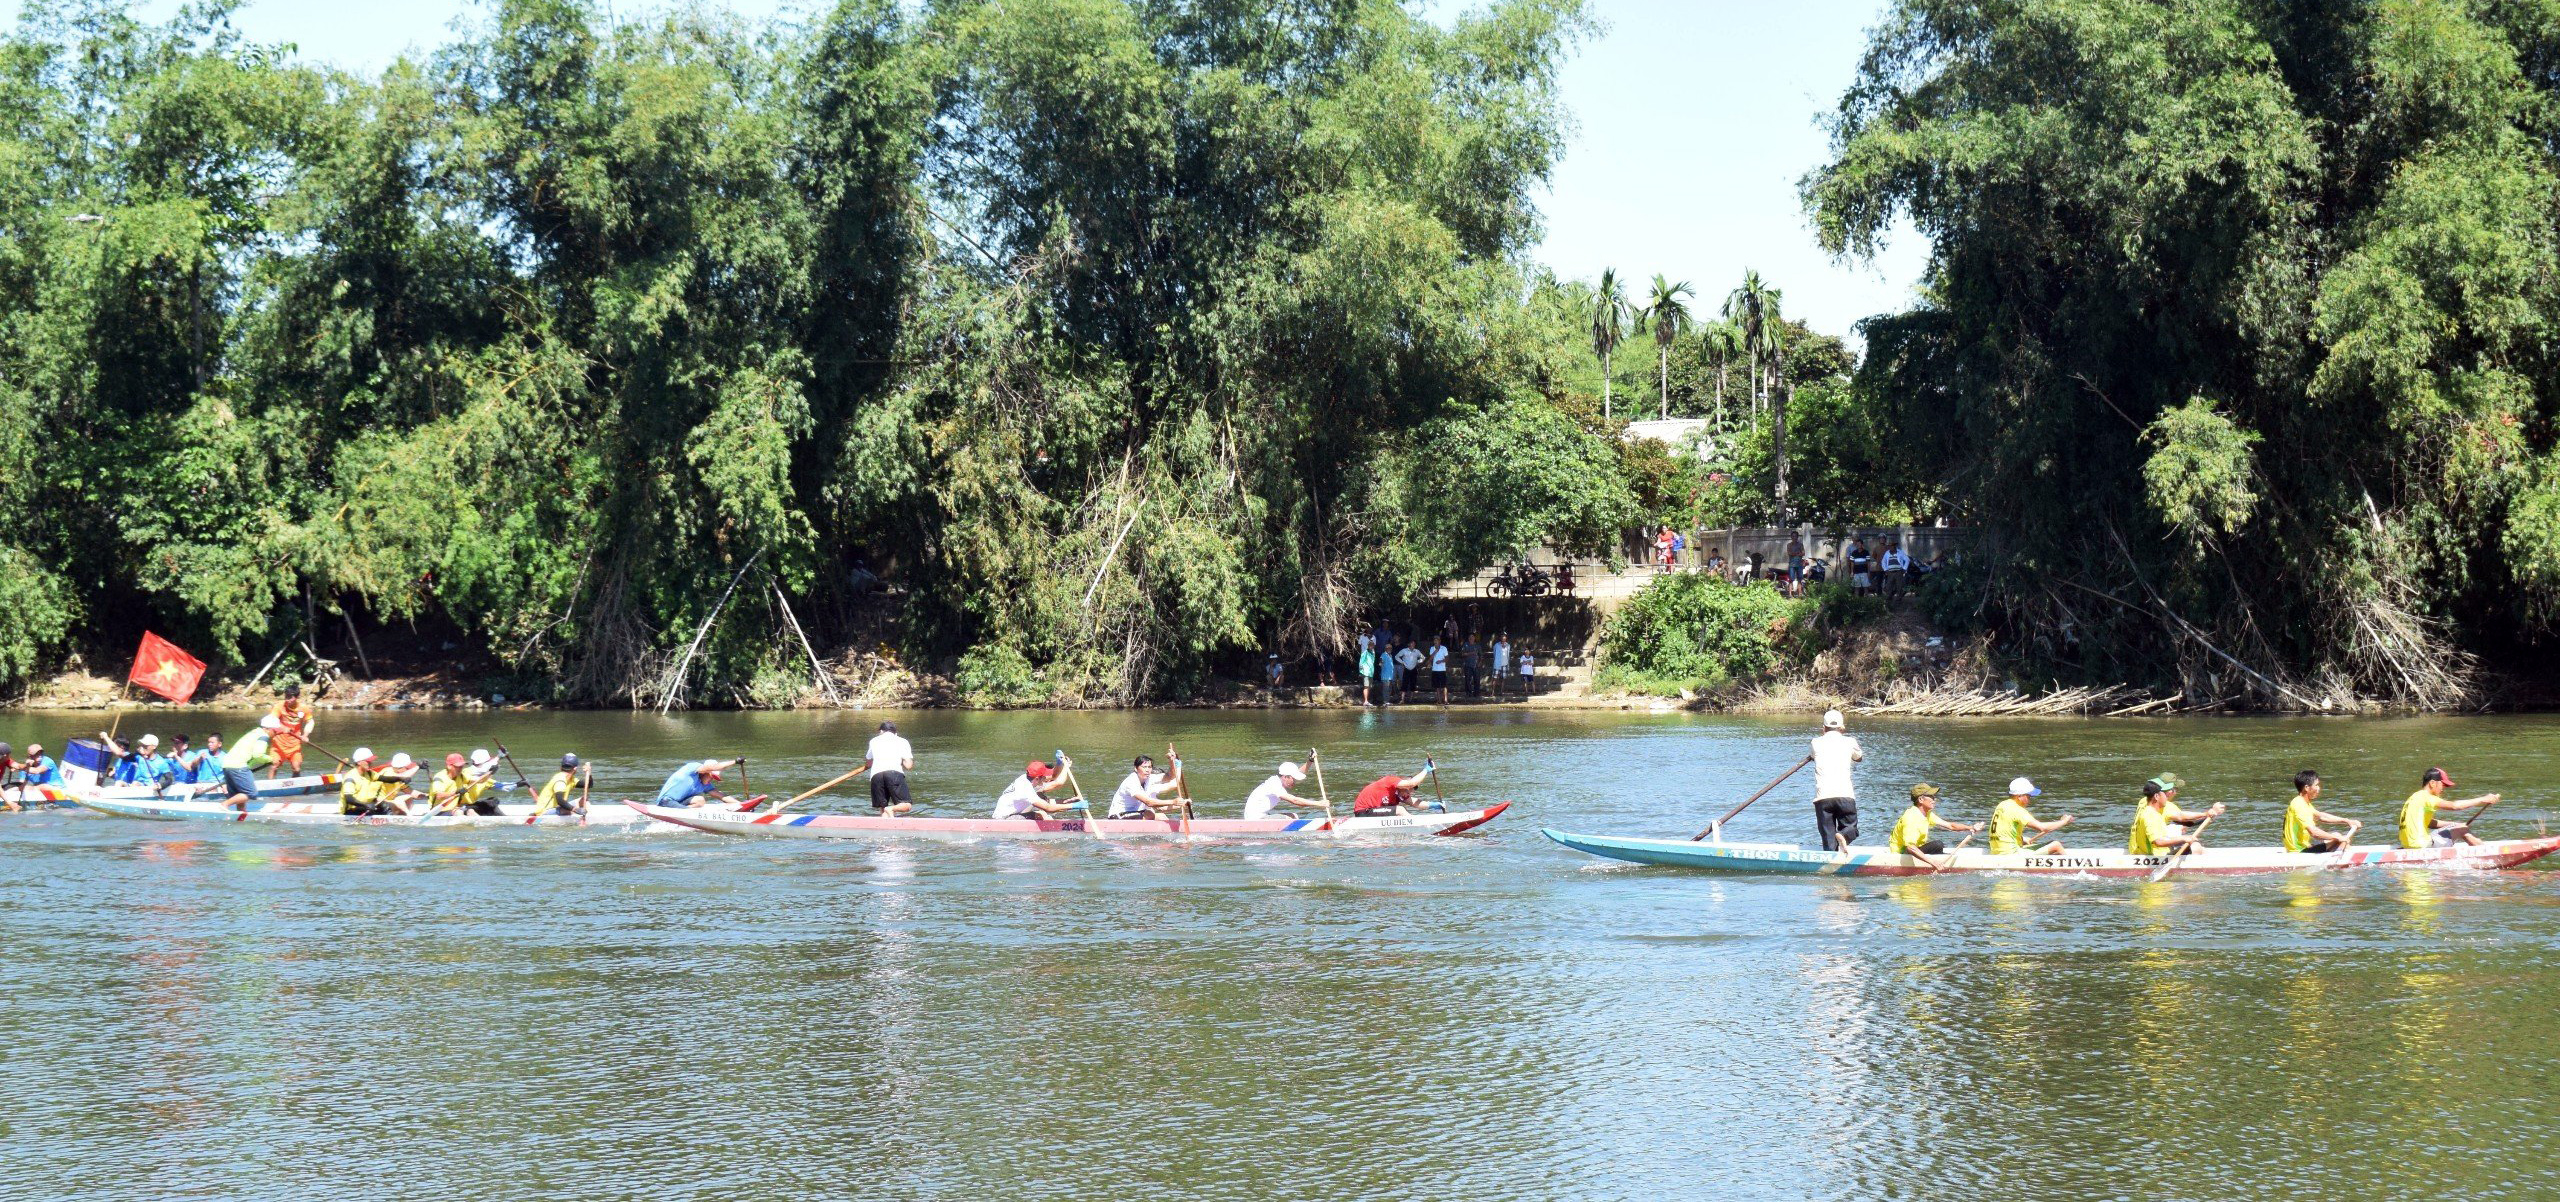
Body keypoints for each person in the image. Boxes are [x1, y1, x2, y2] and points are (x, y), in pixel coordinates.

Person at [2399, 767, 2497, 849]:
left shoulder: (2414, 797)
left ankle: (2480, 847)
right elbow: (2455, 806)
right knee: (2462, 829)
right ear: (2432, 783)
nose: (2443, 789)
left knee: (2459, 826)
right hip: (2422, 845)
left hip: (2408, 845)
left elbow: (2429, 822)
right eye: (2443, 784)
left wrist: (2454, 824)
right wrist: (2483, 799)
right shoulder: (2427, 797)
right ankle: (2485, 851)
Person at [2128, 775, 2224, 856]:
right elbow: (2186, 820)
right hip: (2153, 854)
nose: (2174, 792)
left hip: (2137, 848)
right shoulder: (2152, 815)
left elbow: (2183, 821)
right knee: (2195, 846)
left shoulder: (2144, 802)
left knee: (2178, 830)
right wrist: (2207, 814)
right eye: (2172, 790)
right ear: (2157, 796)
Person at [1810, 710, 1864, 851]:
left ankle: (1829, 863)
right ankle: (1844, 835)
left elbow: (1813, 756)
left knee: (1828, 842)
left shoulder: (1815, 742)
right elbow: (1858, 758)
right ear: (1842, 728)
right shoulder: (1850, 741)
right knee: (1851, 828)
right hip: (1845, 795)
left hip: (1823, 797)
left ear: (1824, 728)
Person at [1888, 784, 1978, 864]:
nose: (1934, 800)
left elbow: (1950, 826)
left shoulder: (1927, 814)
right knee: (1937, 844)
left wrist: (1970, 827)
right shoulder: (1911, 817)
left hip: (1914, 850)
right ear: (1921, 799)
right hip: (1901, 855)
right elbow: (1910, 847)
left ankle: (1944, 860)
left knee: (1938, 846)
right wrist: (1933, 862)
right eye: (1931, 797)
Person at [1988, 776, 2074, 855]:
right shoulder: (2017, 810)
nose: (2030, 799)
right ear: (2019, 796)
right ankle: (2074, 870)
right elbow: (2043, 828)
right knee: (2056, 845)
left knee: (2040, 845)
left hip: (1997, 851)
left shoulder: (2002, 805)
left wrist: (2022, 839)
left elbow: (2004, 831)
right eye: (2029, 796)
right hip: (2011, 855)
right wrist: (2064, 822)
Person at [2284, 770, 2360, 854]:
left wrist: (2347, 821)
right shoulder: (2299, 806)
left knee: (2337, 835)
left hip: (2305, 846)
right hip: (2298, 852)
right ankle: (2344, 861)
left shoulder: (2301, 802)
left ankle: (2342, 854)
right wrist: (2337, 838)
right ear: (2307, 788)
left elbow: (2320, 816)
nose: (2318, 788)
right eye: (2316, 785)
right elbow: (2314, 833)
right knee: (2339, 838)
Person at [994, 758, 1080, 820]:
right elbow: (1048, 808)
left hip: (1011, 815)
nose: (1046, 778)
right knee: (1041, 814)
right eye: (1043, 777)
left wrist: (1060, 764)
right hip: (1004, 820)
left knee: (1041, 800)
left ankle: (1052, 826)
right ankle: (1053, 832)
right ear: (1037, 779)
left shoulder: (1026, 778)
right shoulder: (1026, 789)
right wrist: (1074, 806)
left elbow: (1054, 776)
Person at [861, 720, 915, 816]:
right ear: (895, 733)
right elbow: (908, 765)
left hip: (876, 775)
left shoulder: (873, 741)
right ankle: (892, 808)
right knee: (906, 805)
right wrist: (901, 760)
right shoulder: (902, 741)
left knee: (883, 808)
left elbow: (869, 763)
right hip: (894, 773)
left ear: (881, 731)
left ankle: (885, 823)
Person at [1108, 753, 1184, 820]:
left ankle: (1170, 835)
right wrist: (1173, 801)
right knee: (1149, 813)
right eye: (1144, 767)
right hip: (1118, 816)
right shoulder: (1131, 782)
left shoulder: (1149, 778)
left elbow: (1169, 776)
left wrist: (1172, 761)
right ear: (1136, 768)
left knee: (1161, 816)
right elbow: (1149, 802)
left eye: (1149, 767)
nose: (1147, 770)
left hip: (1136, 814)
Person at [1244, 762, 1325, 820]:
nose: (1295, 782)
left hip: (1261, 816)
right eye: (1293, 779)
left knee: (1293, 816)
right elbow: (1295, 800)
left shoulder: (1277, 780)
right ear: (1286, 777)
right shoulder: (1274, 784)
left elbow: (1300, 771)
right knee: (1290, 818)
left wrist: (1310, 761)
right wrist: (1319, 803)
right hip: (1255, 819)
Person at [267, 685, 315, 777]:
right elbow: (272, 720)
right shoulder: (279, 706)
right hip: (278, 744)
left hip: (294, 745)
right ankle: (269, 787)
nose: (287, 700)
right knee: (274, 765)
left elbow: (310, 722)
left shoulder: (303, 708)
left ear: (296, 697)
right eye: (286, 697)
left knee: (296, 768)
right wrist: (282, 727)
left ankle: (296, 787)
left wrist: (305, 735)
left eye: (290, 698)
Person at [654, 759, 740, 809]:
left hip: (680, 803)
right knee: (692, 807)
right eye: (711, 776)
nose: (711, 779)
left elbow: (722, 796)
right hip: (665, 801)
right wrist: (735, 761)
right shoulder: (691, 768)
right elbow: (713, 767)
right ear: (705, 772)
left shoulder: (705, 785)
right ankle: (685, 813)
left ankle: (685, 813)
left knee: (700, 800)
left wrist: (742, 805)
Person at [1351, 765, 1434, 816]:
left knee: (1399, 811)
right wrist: (1425, 770)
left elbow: (1416, 803)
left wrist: (1434, 805)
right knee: (1400, 810)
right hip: (1363, 811)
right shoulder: (1390, 781)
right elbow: (1412, 783)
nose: (1407, 795)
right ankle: (1417, 829)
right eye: (1407, 792)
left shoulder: (1399, 794)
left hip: (1372, 812)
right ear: (1403, 786)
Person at [338, 748, 394, 816]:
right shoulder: (350, 778)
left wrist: (401, 779)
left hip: (363, 807)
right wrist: (366, 805)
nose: (371, 763)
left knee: (384, 806)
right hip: (350, 811)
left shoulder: (369, 773)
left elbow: (384, 779)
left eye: (371, 761)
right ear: (359, 762)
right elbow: (349, 799)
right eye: (368, 761)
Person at [1461, 633, 1484, 699]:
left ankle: (1476, 693)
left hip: (1476, 665)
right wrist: (1471, 653)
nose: (1471, 638)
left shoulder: (1478, 646)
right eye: (1470, 637)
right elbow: (1462, 654)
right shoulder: (1465, 645)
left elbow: (1481, 656)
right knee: (1468, 680)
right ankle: (1468, 693)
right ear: (1468, 638)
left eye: (1472, 637)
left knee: (1477, 679)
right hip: (1467, 665)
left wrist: (1480, 662)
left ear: (1474, 638)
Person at [1429, 637, 1451, 704]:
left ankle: (1446, 700)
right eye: (1434, 640)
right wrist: (1435, 651)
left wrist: (1441, 661)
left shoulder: (1444, 648)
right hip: (1435, 670)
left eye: (1437, 640)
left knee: (1444, 686)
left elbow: (1447, 659)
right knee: (1437, 686)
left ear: (1439, 641)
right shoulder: (1432, 648)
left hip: (1442, 670)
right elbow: (1430, 659)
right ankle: (1439, 700)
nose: (1435, 642)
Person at [1491, 633, 1512, 699]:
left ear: (1506, 638)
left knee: (1503, 679)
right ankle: (1493, 692)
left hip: (1505, 664)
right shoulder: (1496, 645)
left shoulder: (1508, 645)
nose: (1503, 639)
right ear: (1500, 638)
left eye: (1504, 638)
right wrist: (1496, 661)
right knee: (1495, 678)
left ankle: (1501, 692)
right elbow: (1494, 653)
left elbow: (1508, 655)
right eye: (1502, 637)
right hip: (1497, 664)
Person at [1358, 633, 1377, 706]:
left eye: (1372, 645)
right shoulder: (1365, 652)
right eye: (1370, 645)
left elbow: (1372, 663)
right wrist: (1361, 672)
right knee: (1366, 686)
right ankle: (1365, 701)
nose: (1371, 646)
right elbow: (1361, 662)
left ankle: (1367, 701)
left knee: (1369, 686)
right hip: (1365, 672)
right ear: (1368, 646)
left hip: (1370, 672)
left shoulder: (1373, 653)